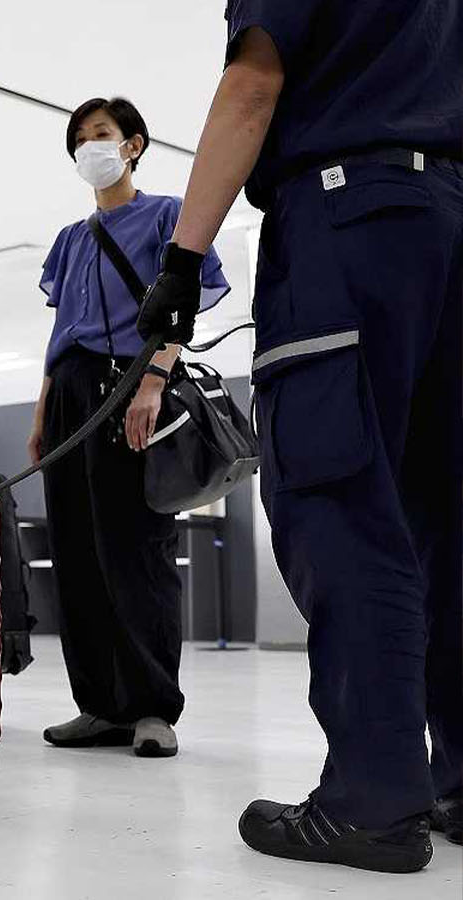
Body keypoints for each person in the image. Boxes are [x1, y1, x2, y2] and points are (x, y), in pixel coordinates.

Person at [137, 0, 462, 873]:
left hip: (347, 222)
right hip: (451, 222)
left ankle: (373, 798)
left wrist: (181, 261)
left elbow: (253, 86)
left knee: (338, 498)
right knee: (445, 516)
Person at [28, 97, 229, 761]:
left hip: (133, 381)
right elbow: (61, 333)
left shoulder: (167, 216)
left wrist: (152, 381)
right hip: (72, 396)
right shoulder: (68, 238)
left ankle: (151, 707)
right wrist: (41, 416)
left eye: (103, 134)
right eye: (81, 138)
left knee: (136, 550)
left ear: (134, 144)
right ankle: (101, 706)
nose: (92, 146)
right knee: (79, 552)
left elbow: (185, 302)